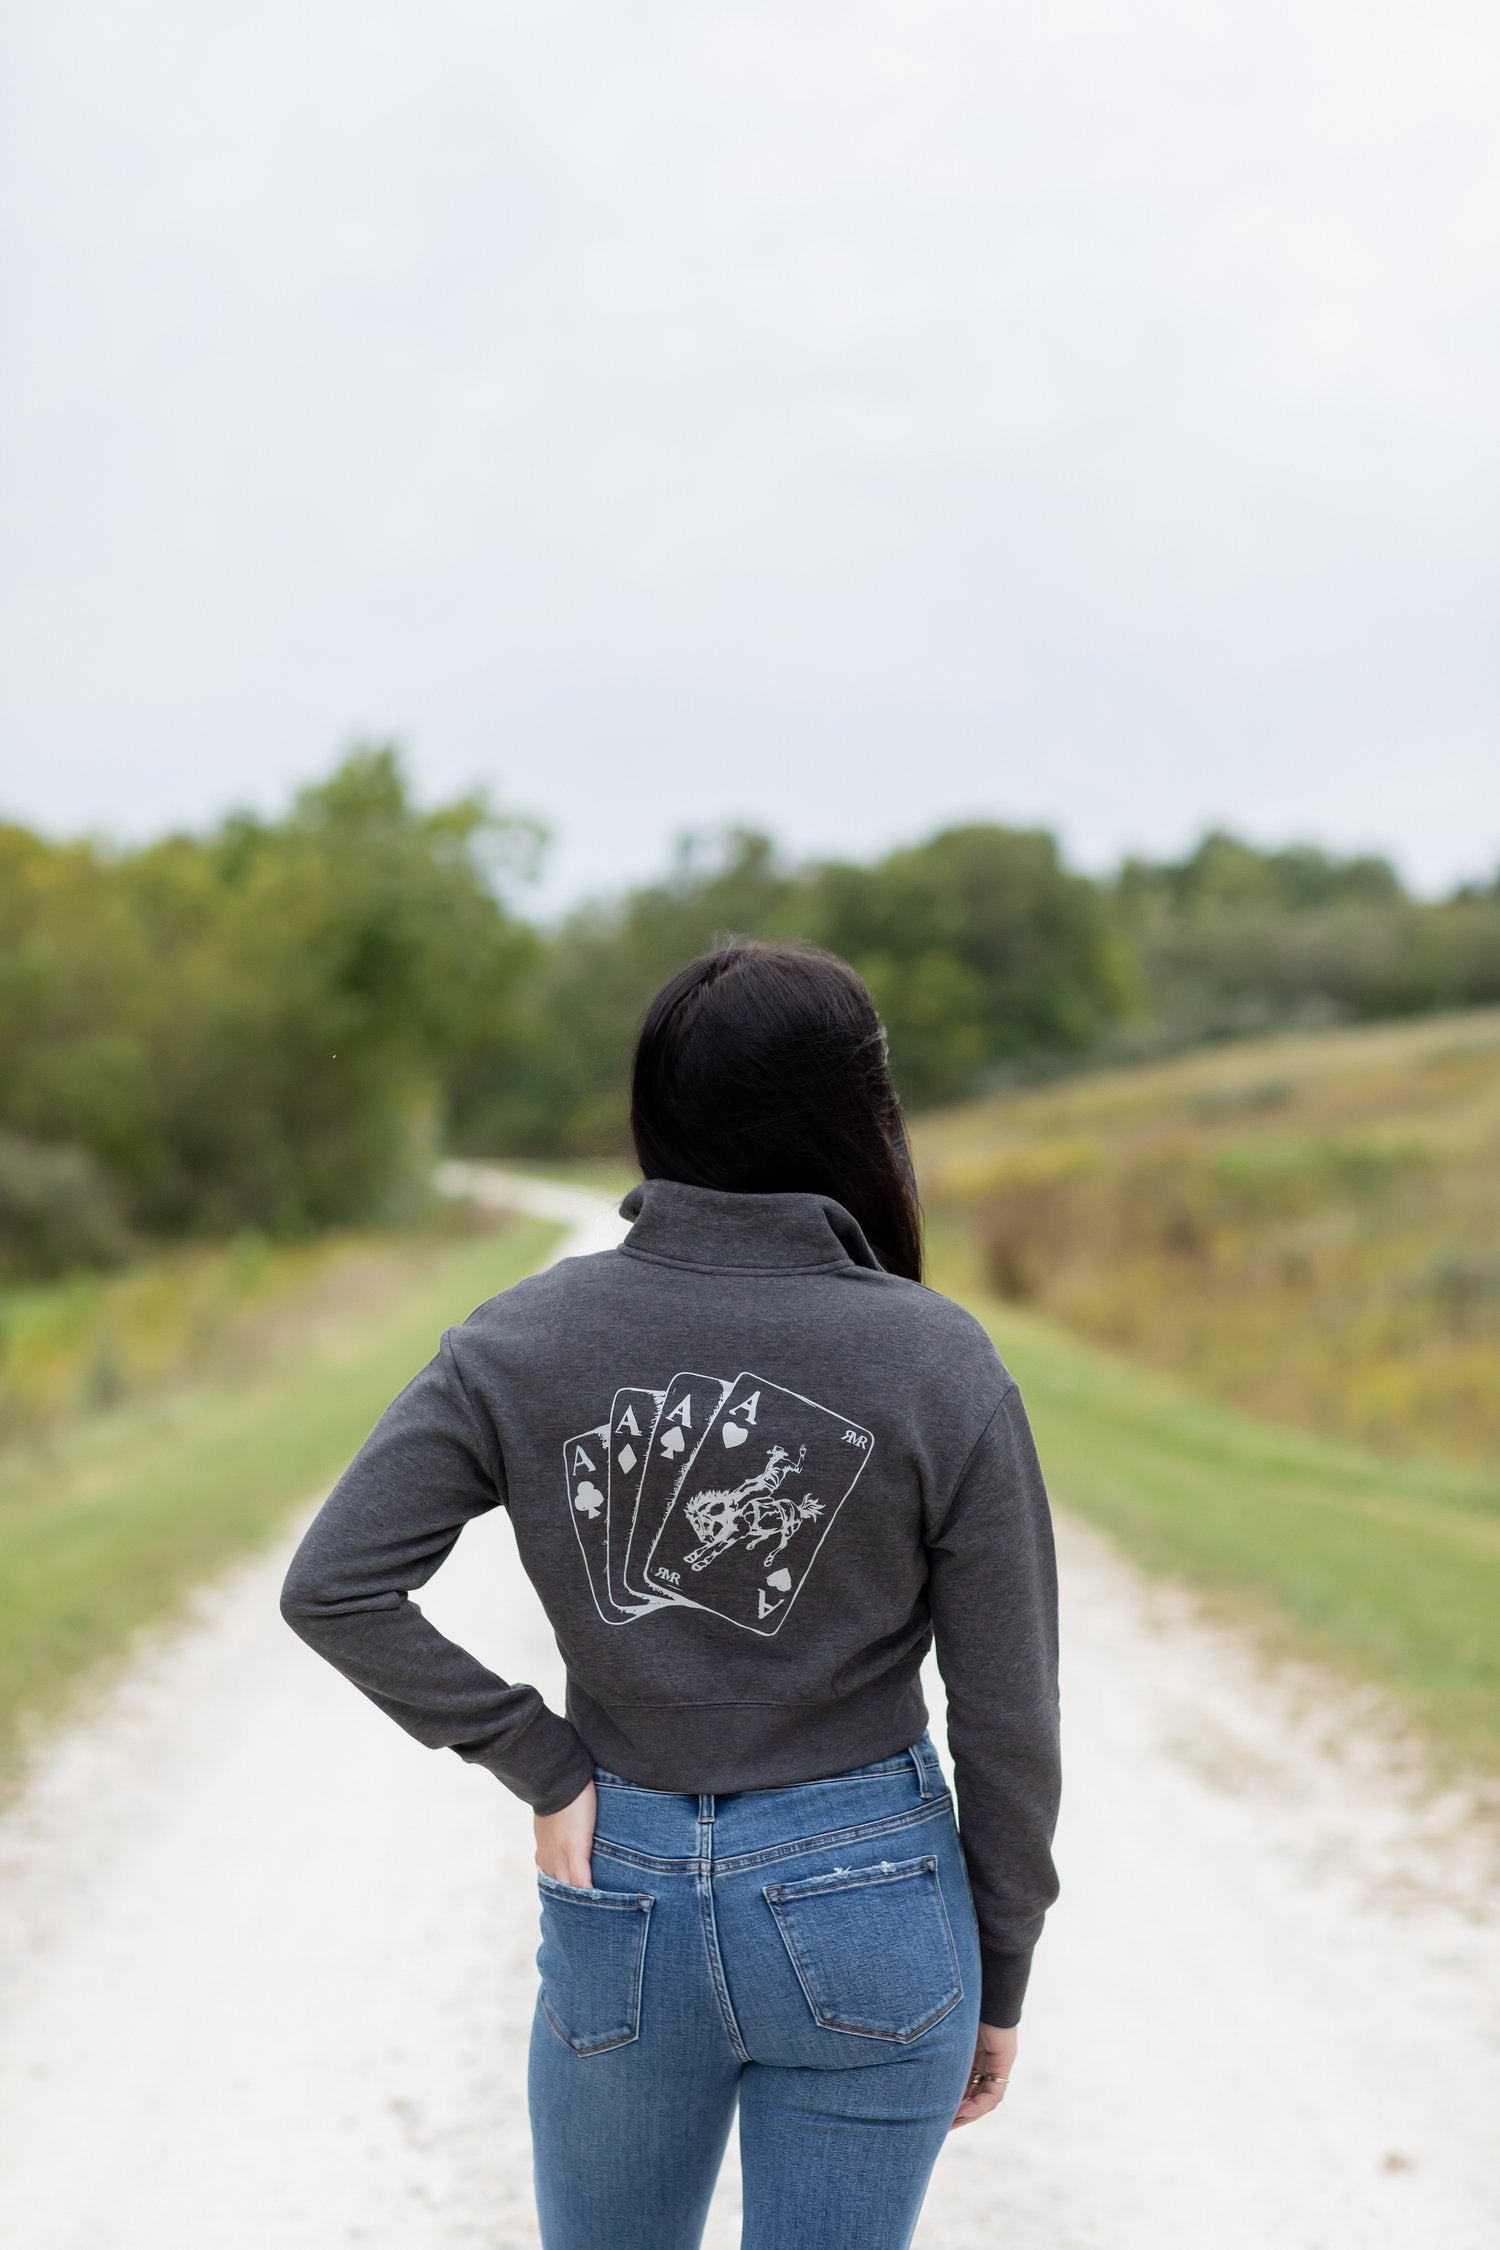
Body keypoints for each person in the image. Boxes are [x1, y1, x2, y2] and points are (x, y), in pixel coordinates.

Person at [279, 937, 1061, 2250]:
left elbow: (335, 1583)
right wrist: (1001, 1964)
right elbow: (1010, 1722)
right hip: (869, 1895)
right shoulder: (939, 1357)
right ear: (859, 1115)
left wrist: (544, 1761)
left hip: (621, 1891)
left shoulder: (521, 1338)